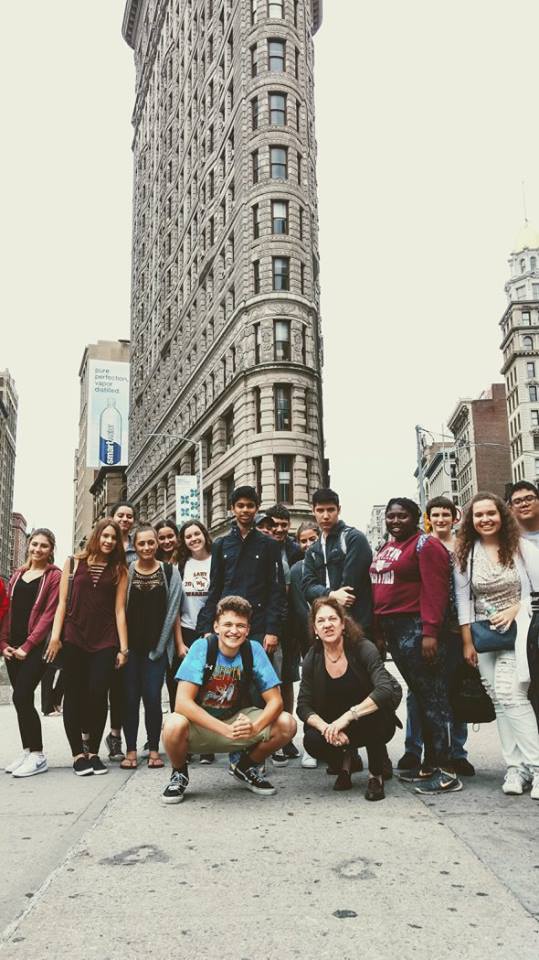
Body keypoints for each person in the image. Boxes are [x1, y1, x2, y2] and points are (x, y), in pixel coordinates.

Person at [161, 596, 296, 803]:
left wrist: (255, 727)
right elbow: (182, 703)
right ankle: (179, 772)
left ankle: (245, 766)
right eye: (228, 624)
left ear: (248, 629)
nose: (234, 630)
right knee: (173, 724)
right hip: (201, 724)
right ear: (216, 626)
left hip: (235, 719)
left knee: (287, 723)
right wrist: (224, 730)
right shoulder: (202, 647)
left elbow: (276, 701)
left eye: (240, 625)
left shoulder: (253, 650)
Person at [370, 497, 462, 794]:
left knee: (434, 698)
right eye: (390, 516)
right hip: (395, 630)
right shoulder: (388, 546)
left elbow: (436, 591)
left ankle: (446, 769)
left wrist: (430, 633)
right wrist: (381, 632)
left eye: (402, 516)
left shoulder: (426, 545)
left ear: (415, 518)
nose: (395, 521)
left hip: (417, 628)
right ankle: (428, 764)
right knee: (422, 697)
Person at [454, 492, 539, 799]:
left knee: (512, 694)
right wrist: (467, 643)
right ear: (471, 521)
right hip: (483, 636)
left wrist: (515, 608)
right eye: (478, 515)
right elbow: (464, 600)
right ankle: (516, 768)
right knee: (498, 699)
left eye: (491, 513)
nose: (485, 519)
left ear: (502, 515)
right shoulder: (467, 553)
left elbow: (537, 592)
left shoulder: (521, 548)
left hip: (520, 632)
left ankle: (537, 766)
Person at [297, 598, 401, 800]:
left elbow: (384, 690)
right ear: (315, 629)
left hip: (369, 720)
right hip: (336, 725)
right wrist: (326, 729)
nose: (327, 624)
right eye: (321, 621)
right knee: (312, 739)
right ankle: (346, 763)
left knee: (375, 715)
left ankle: (375, 775)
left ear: (343, 624)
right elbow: (303, 705)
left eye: (332, 619)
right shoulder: (313, 657)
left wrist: (348, 716)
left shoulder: (363, 647)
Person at [399, 496, 474, 777]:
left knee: (455, 690)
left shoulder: (465, 546)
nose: (441, 519)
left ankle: (457, 752)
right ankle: (413, 749)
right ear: (428, 518)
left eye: (446, 514)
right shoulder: (421, 545)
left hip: (456, 628)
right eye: (436, 515)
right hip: (427, 629)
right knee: (418, 693)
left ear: (455, 518)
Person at [49, 518, 128, 776]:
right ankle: (77, 755)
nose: (108, 541)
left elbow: (119, 610)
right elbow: (62, 603)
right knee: (74, 694)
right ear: (96, 536)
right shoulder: (73, 563)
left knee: (98, 693)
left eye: (113, 538)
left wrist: (123, 648)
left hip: (105, 639)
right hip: (74, 636)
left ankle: (93, 752)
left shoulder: (119, 570)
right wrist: (55, 637)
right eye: (105, 535)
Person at [121, 524, 183, 769]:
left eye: (151, 542)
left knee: (153, 699)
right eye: (141, 543)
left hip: (157, 649)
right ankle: (131, 751)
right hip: (130, 648)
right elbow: (120, 611)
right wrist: (123, 647)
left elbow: (172, 611)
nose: (147, 547)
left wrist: (162, 647)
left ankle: (154, 749)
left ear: (157, 544)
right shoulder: (127, 571)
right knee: (129, 699)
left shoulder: (170, 572)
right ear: (134, 547)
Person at [0, 529, 61, 778]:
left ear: (51, 549)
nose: (37, 549)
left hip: (36, 648)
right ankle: (28, 750)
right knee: (21, 699)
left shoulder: (54, 576)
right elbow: (8, 611)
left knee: (22, 696)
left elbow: (49, 614)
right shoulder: (17, 575)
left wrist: (28, 645)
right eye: (34, 544)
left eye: (43, 546)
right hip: (13, 647)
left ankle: (38, 755)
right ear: (28, 546)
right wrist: (3, 644)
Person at [196, 486, 286, 652]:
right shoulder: (220, 545)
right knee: (227, 676)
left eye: (250, 505)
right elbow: (214, 589)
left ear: (257, 508)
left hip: (258, 626)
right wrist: (208, 628)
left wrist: (273, 630)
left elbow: (276, 590)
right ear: (232, 509)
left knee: (257, 676)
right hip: (227, 625)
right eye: (240, 505)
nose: (245, 510)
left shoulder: (270, 545)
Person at [302, 488, 373, 633]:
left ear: (339, 510)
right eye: (320, 510)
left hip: (357, 624)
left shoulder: (354, 538)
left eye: (331, 510)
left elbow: (349, 587)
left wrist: (325, 594)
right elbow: (307, 587)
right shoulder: (312, 550)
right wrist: (331, 594)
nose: (326, 516)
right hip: (326, 626)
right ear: (313, 511)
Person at [265, 504, 303, 765]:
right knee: (272, 683)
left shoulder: (295, 550)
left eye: (283, 524)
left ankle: (286, 735)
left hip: (293, 626)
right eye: (274, 524)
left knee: (288, 680)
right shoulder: (261, 549)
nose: (279, 529)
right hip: (269, 626)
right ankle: (271, 736)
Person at [174, 518, 213, 762]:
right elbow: (174, 608)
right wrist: (179, 642)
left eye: (196, 534)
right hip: (187, 630)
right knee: (188, 688)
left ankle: (208, 744)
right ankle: (187, 743)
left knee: (209, 688)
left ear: (204, 535)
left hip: (209, 630)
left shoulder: (216, 561)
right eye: (188, 536)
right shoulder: (180, 565)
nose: (193, 539)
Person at [103, 500, 137, 763]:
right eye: (120, 515)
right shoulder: (106, 547)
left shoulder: (140, 548)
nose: (125, 519)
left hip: (133, 624)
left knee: (123, 687)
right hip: (106, 625)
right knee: (108, 684)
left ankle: (118, 735)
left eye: (129, 516)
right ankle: (107, 734)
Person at [508, 481, 539, 545]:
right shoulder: (507, 541)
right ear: (511, 509)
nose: (524, 504)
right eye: (517, 502)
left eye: (529, 498)